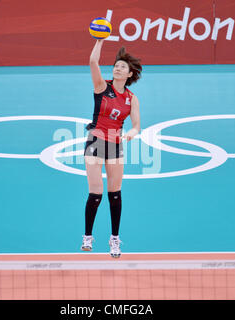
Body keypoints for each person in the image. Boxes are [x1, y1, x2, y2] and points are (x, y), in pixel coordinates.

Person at [81, 39, 142, 258]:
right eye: (116, 65)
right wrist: (98, 40)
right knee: (95, 194)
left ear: (129, 74)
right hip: (96, 141)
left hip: (116, 143)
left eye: (122, 67)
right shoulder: (101, 87)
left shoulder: (131, 99)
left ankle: (114, 239)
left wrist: (131, 134)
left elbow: (136, 126)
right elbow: (92, 61)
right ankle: (87, 236)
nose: (117, 68)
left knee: (114, 195)